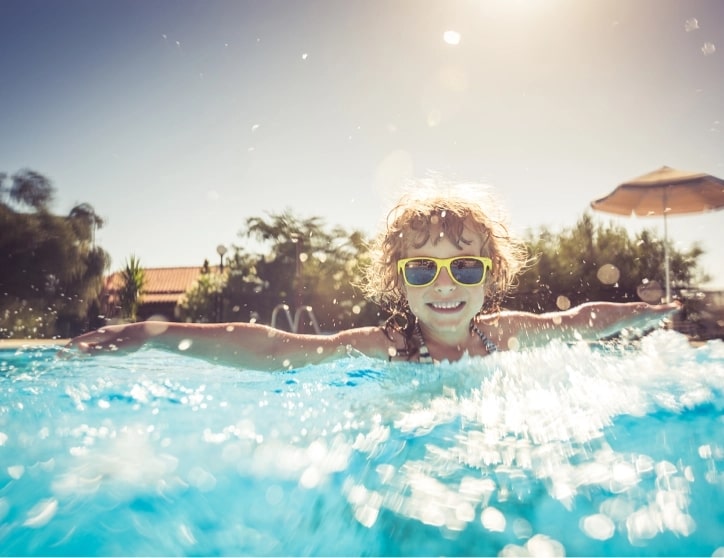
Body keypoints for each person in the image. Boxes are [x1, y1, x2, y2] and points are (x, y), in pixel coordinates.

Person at [66, 182, 680, 370]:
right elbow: (276, 347)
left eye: (465, 265)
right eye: (423, 268)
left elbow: (579, 322)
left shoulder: (507, 333)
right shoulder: (385, 347)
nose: (446, 284)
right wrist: (153, 330)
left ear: (490, 277)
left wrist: (651, 314)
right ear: (399, 280)